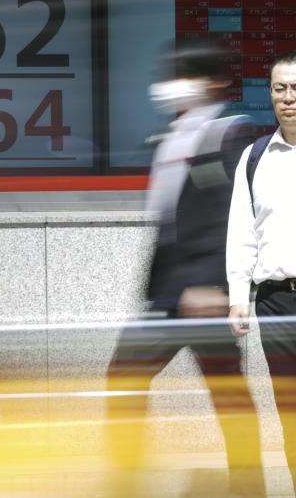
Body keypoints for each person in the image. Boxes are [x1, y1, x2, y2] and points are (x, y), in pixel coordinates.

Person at [103, 40, 264, 497]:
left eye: (186, 76)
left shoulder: (230, 134)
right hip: (168, 293)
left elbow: (232, 213)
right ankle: (126, 478)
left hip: (203, 292)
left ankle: (249, 485)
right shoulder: (170, 136)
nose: (174, 86)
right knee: (125, 377)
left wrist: (215, 283)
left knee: (227, 392)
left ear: (215, 83)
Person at [227, 48, 296, 491]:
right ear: (269, 94)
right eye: (280, 88)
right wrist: (238, 298)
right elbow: (242, 234)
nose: (289, 97)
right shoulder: (254, 158)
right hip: (276, 303)